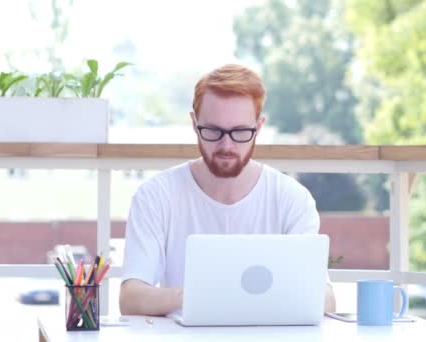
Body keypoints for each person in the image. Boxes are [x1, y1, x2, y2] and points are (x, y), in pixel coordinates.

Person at [119, 64, 336, 316]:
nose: (226, 145)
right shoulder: (156, 196)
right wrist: (202, 292)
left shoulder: (292, 199)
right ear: (194, 123)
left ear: (259, 127)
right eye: (213, 131)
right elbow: (130, 299)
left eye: (240, 132)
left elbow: (326, 300)